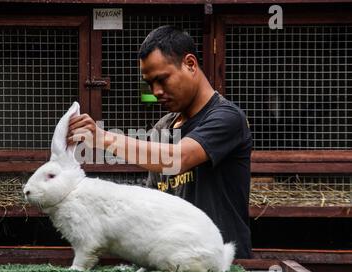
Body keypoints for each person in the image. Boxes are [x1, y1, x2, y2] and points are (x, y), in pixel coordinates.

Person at [67, 26, 252, 259]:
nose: (156, 91)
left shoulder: (227, 117)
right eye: (149, 84)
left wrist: (103, 138)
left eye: (162, 79)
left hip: (224, 265)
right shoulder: (163, 128)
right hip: (175, 261)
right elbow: (153, 203)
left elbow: (177, 158)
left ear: (190, 64)